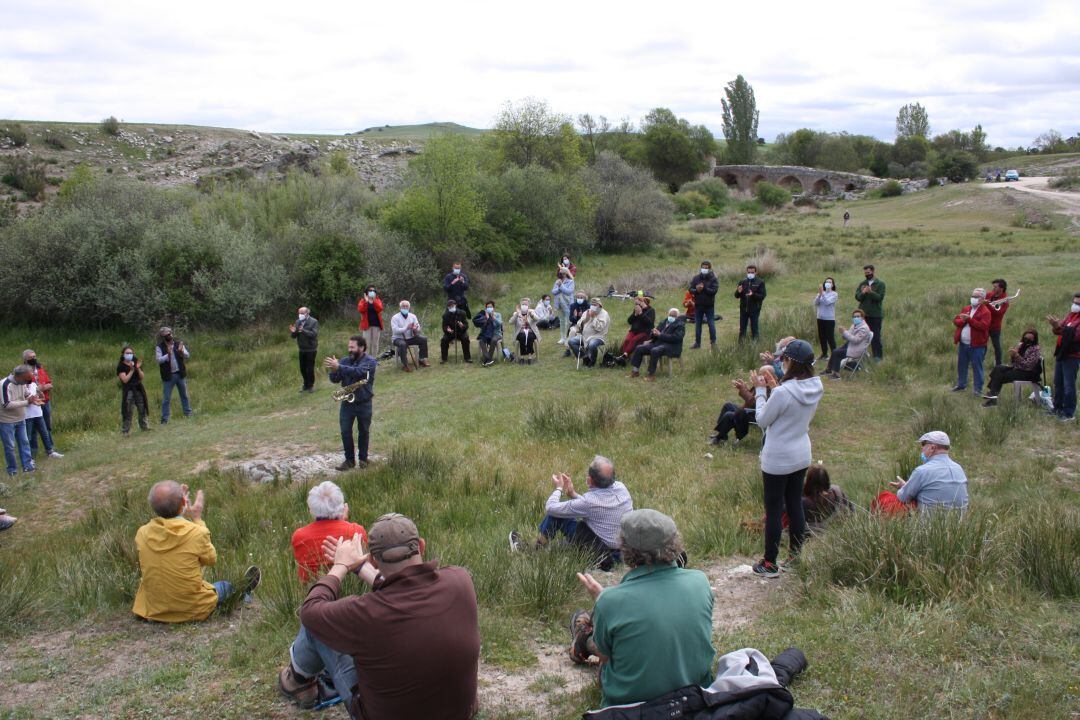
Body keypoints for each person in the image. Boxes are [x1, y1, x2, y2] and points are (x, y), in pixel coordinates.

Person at [285, 513, 481, 720]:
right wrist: (361, 568)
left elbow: (310, 611)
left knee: (318, 626)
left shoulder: (365, 614)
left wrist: (340, 566)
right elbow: (405, 589)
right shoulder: (460, 580)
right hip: (458, 713)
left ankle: (298, 681)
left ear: (374, 561)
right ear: (421, 546)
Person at [569, 509, 715, 708]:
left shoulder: (610, 601)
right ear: (674, 542)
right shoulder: (700, 581)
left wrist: (603, 599)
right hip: (694, 697)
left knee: (603, 644)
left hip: (632, 706)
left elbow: (604, 656)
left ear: (626, 548)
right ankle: (583, 639)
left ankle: (583, 640)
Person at [132, 481, 260, 623]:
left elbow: (170, 528)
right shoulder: (196, 532)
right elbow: (211, 559)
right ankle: (243, 593)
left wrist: (178, 504)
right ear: (183, 502)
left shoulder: (142, 533)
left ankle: (242, 593)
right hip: (191, 610)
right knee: (225, 586)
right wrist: (196, 518)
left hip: (153, 610)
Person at [749, 339, 823, 578]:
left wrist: (761, 391)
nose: (781, 362)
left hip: (778, 457)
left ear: (791, 362)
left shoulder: (781, 393)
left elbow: (762, 420)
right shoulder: (816, 385)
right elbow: (793, 397)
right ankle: (794, 555)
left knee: (773, 509)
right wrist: (777, 385)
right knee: (794, 504)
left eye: (784, 359)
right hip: (801, 452)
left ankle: (769, 563)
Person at [511, 455, 632, 571]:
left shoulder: (589, 502)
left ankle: (533, 550)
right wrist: (573, 495)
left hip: (601, 554)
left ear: (589, 480)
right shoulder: (621, 488)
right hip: (622, 552)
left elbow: (551, 508)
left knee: (556, 516)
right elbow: (598, 509)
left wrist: (558, 488)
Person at [873, 431, 968, 515]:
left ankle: (876, 526)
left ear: (932, 448)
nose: (922, 448)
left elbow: (903, 497)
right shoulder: (959, 468)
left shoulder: (922, 471)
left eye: (923, 444)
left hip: (929, 525)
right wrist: (907, 486)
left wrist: (904, 488)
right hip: (957, 524)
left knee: (885, 497)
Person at [291, 481, 368, 583]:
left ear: (311, 510)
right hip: (349, 588)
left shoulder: (299, 536)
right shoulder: (356, 531)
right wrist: (342, 521)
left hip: (311, 591)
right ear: (343, 507)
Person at [325, 335, 377, 471]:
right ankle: (349, 461)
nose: (350, 350)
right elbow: (335, 379)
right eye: (349, 347)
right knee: (345, 431)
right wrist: (334, 370)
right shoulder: (344, 361)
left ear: (361, 347)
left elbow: (359, 372)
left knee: (364, 431)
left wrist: (340, 367)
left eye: (352, 347)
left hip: (364, 403)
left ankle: (363, 459)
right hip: (347, 403)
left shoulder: (370, 361)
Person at [710, 366, 776, 444]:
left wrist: (743, 389)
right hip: (747, 410)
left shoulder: (772, 388)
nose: (759, 377)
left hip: (753, 414)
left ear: (770, 375)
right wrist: (743, 387)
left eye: (762, 374)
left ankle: (719, 438)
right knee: (727, 405)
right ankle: (722, 433)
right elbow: (752, 397)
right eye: (759, 374)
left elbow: (754, 403)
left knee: (729, 415)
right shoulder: (762, 383)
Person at [982, 329, 1042, 407]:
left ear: (1034, 339)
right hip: (1017, 368)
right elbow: (1013, 362)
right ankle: (992, 394)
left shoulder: (1035, 349)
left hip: (1028, 373)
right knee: (998, 368)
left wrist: (1017, 355)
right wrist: (1013, 355)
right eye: (1025, 338)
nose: (1027, 340)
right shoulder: (1021, 345)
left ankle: (992, 396)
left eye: (1030, 339)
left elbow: (1028, 365)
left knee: (999, 375)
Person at [1, 364, 39, 477]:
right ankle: (12, 471)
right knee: (10, 447)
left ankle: (28, 467)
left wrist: (33, 398)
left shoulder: (22, 384)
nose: (28, 381)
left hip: (20, 418)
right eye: (27, 379)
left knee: (24, 443)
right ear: (20, 376)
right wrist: (27, 402)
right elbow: (6, 404)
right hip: (6, 421)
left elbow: (26, 394)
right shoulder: (5, 384)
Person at [1047, 292, 1080, 421]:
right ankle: (1057, 408)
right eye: (1074, 302)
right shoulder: (1072, 315)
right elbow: (1059, 329)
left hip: (1072, 356)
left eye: (1078, 303)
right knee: (1058, 382)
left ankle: (1069, 412)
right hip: (1061, 353)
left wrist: (1058, 327)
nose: (1075, 305)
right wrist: (1056, 326)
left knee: (1069, 385)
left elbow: (1074, 335)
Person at [952, 288, 991, 395]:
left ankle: (978, 390)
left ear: (982, 299)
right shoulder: (967, 308)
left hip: (977, 345)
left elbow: (983, 326)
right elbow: (956, 320)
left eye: (976, 297)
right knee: (961, 365)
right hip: (963, 344)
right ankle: (961, 385)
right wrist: (963, 320)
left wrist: (969, 320)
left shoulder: (985, 312)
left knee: (977, 367)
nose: (973, 298)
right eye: (972, 296)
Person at [628, 308, 685, 380]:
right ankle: (635, 371)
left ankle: (651, 375)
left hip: (672, 347)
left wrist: (660, 335)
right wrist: (653, 333)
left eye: (674, 316)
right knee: (639, 348)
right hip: (659, 344)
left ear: (677, 317)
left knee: (655, 350)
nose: (671, 317)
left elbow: (676, 338)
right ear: (668, 315)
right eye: (671, 315)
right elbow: (656, 333)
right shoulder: (664, 322)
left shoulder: (680, 325)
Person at [155, 327, 191, 424]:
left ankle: (188, 413)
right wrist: (168, 355)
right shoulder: (159, 347)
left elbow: (187, 355)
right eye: (167, 334)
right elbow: (158, 360)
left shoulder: (179, 344)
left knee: (184, 395)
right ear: (163, 336)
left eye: (170, 333)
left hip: (180, 374)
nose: (169, 335)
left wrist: (181, 352)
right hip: (168, 376)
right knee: (166, 398)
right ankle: (164, 419)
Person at [800, 464, 852, 531]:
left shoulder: (804, 502)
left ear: (808, 481)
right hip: (837, 529)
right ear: (827, 479)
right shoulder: (837, 491)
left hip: (813, 533)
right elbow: (851, 509)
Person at [823, 309, 872, 378]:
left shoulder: (864, 328)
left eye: (858, 316)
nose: (856, 318)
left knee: (837, 353)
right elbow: (848, 335)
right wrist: (844, 333)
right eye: (854, 317)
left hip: (857, 348)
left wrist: (844, 332)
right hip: (851, 345)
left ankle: (836, 375)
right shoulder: (855, 325)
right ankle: (828, 370)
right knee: (835, 351)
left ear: (862, 318)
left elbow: (856, 340)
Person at [23, 376, 59, 459]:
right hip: (27, 415)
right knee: (29, 437)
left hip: (38, 414)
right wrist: (33, 400)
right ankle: (29, 457)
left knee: (44, 433)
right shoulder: (21, 387)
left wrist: (40, 391)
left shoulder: (33, 385)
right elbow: (26, 400)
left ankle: (50, 451)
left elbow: (42, 398)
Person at [567, 298, 610, 367]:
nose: (593, 306)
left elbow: (599, 328)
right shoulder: (587, 311)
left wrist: (593, 318)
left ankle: (592, 361)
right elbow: (579, 324)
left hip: (598, 336)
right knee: (572, 341)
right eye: (592, 305)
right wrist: (585, 319)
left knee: (592, 344)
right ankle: (585, 357)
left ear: (599, 305)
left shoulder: (604, 314)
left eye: (595, 305)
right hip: (584, 336)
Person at [117, 345, 150, 435]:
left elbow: (142, 377)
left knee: (142, 408)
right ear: (123, 354)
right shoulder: (121, 366)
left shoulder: (135, 361)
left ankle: (144, 427)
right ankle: (125, 431)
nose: (129, 355)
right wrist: (132, 370)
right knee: (128, 410)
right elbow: (125, 380)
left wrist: (138, 368)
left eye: (131, 353)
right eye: (127, 353)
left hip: (138, 388)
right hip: (129, 390)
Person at [23, 349, 54, 441]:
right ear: (25, 360)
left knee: (47, 426)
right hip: (32, 403)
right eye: (30, 357)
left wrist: (42, 388)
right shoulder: (23, 371)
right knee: (33, 430)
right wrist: (38, 388)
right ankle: (33, 451)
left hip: (45, 401)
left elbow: (50, 384)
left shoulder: (40, 369)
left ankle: (50, 448)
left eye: (34, 357)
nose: (33, 359)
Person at [855, 265, 885, 360]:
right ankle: (860, 355)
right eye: (865, 273)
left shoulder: (880, 284)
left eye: (868, 273)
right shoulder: (862, 284)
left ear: (873, 271)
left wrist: (870, 292)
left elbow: (880, 298)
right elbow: (858, 297)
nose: (867, 275)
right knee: (861, 336)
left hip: (875, 315)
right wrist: (863, 292)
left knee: (875, 337)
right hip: (863, 315)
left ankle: (877, 356)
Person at [390, 300, 430, 371]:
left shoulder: (413, 316)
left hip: (411, 337)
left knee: (423, 339)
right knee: (402, 344)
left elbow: (418, 327)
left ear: (409, 308)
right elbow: (395, 330)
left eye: (407, 306)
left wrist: (415, 328)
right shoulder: (395, 317)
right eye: (403, 306)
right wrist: (406, 328)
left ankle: (421, 359)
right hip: (398, 338)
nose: (405, 308)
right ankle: (405, 364)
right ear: (400, 308)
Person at [689, 261, 720, 348]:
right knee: (698, 325)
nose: (704, 269)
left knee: (711, 324)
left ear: (709, 269)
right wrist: (696, 290)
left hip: (709, 306)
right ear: (701, 267)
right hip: (698, 305)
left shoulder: (713, 279)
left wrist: (704, 288)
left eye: (706, 268)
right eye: (703, 267)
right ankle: (697, 343)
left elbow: (714, 291)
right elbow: (690, 289)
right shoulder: (696, 278)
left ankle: (713, 343)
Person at [291, 306, 320, 393]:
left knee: (309, 368)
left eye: (302, 313)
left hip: (311, 349)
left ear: (307, 313)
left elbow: (314, 334)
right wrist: (294, 332)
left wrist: (303, 330)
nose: (300, 315)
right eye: (299, 313)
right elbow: (293, 336)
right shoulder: (297, 321)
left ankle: (311, 386)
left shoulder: (314, 321)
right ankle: (305, 384)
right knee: (302, 368)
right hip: (302, 349)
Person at [735, 264, 767, 341]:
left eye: (752, 272)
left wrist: (753, 295)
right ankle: (741, 347)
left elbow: (762, 296)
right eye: (749, 272)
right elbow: (736, 296)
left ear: (756, 272)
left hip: (755, 309)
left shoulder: (760, 282)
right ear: (746, 272)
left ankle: (755, 346)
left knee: (754, 329)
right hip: (743, 310)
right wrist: (738, 292)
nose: (750, 274)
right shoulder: (742, 281)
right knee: (742, 329)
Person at [439, 299, 472, 364]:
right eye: (449, 306)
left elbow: (466, 325)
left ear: (455, 305)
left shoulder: (462, 313)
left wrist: (462, 326)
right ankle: (444, 359)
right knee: (444, 340)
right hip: (450, 333)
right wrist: (447, 330)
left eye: (452, 306)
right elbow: (444, 326)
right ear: (448, 307)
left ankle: (467, 358)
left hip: (461, 332)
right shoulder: (445, 315)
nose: (451, 307)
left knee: (465, 338)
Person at [986, 279, 1010, 367]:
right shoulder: (989, 295)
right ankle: (979, 361)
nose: (993, 288)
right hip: (985, 324)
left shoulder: (1005, 300)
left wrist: (987, 304)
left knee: (997, 346)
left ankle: (999, 365)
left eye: (995, 287)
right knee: (982, 345)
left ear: (1001, 288)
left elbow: (999, 312)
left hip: (994, 327)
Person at [813, 278, 838, 361]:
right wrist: (820, 294)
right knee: (822, 337)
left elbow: (827, 303)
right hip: (820, 318)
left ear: (833, 285)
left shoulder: (834, 294)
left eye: (830, 282)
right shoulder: (820, 293)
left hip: (829, 319)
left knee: (830, 337)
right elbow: (815, 303)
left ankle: (834, 355)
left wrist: (822, 295)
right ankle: (824, 354)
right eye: (827, 282)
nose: (828, 283)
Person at [473, 300, 504, 367]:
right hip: (487, 334)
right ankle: (488, 359)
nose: (489, 308)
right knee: (481, 341)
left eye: (491, 306)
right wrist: (486, 319)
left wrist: (492, 317)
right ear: (486, 308)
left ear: (493, 308)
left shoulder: (498, 314)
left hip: (496, 334)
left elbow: (499, 324)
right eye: (488, 307)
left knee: (493, 340)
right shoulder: (483, 316)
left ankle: (487, 359)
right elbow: (481, 326)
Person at [510, 297, 541, 363]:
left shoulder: (532, 312)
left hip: (530, 331)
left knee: (530, 337)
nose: (524, 306)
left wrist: (531, 315)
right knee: (522, 337)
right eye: (523, 304)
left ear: (528, 305)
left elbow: (537, 319)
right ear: (521, 305)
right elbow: (510, 322)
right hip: (520, 332)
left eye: (526, 304)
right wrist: (517, 314)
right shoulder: (516, 313)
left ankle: (529, 357)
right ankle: (522, 357)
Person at [357, 285, 384, 357]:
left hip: (376, 325)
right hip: (366, 326)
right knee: (366, 344)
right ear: (366, 292)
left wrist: (373, 300)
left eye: (373, 291)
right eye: (370, 290)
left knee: (375, 344)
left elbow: (380, 308)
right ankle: (366, 360)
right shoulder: (362, 301)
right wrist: (366, 301)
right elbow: (360, 310)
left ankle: (373, 360)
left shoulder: (377, 300)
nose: (372, 292)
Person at [551, 268, 576, 344]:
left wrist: (561, 286)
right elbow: (553, 292)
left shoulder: (571, 281)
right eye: (560, 273)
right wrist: (559, 287)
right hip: (559, 304)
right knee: (561, 321)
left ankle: (568, 337)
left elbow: (568, 292)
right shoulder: (557, 281)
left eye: (562, 273)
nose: (561, 274)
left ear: (566, 273)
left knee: (568, 322)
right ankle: (562, 338)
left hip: (567, 304)